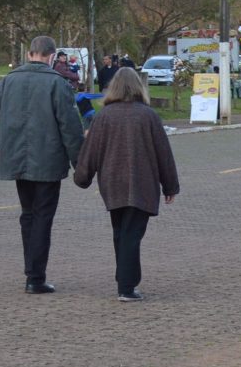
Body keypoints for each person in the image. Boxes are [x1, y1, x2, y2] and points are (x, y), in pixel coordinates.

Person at [0, 35, 84, 295]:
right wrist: (81, 164)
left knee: (28, 215)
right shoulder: (57, 83)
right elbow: (70, 128)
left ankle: (32, 272)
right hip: (48, 161)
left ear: (30, 53)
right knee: (42, 217)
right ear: (52, 56)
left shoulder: (8, 82)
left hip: (17, 159)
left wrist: (6, 144)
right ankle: (35, 276)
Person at [73, 67, 179, 302]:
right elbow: (164, 154)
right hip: (142, 182)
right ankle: (127, 285)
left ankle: (124, 279)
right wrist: (170, 186)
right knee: (132, 233)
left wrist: (82, 177)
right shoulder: (148, 115)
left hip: (112, 182)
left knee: (121, 231)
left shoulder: (104, 116)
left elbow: (91, 151)